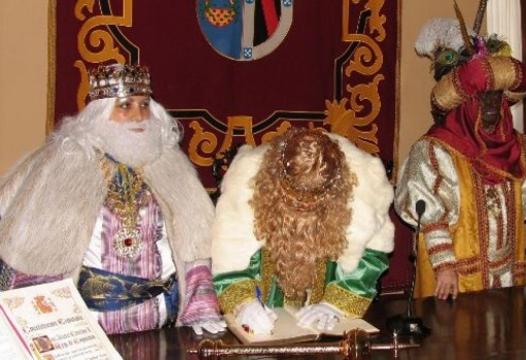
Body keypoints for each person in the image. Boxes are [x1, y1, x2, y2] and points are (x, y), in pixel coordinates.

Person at [0, 64, 226, 335]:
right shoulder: (63, 166)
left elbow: (195, 247)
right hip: (87, 332)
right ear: (100, 114)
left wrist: (200, 308)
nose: (138, 116)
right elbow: (34, 255)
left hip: (161, 326)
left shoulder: (172, 167)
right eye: (125, 106)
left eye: (144, 105)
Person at [395, 16, 526, 300]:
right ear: (465, 104)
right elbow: (429, 214)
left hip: (507, 274)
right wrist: (444, 266)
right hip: (453, 275)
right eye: (483, 98)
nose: (491, 105)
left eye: (497, 97)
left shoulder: (524, 149)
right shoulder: (435, 150)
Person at [210, 127, 394, 334]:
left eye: (313, 205)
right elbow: (229, 259)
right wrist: (245, 303)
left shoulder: (363, 190)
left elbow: (370, 256)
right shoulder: (246, 184)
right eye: (293, 202)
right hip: (267, 320)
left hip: (326, 323)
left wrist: (335, 304)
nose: (302, 211)